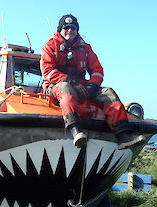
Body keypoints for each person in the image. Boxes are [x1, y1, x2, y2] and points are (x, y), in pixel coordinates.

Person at [40, 14, 145, 149]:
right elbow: (48, 71)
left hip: (83, 86)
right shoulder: (49, 47)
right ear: (59, 29)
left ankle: (123, 135)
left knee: (109, 93)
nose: (69, 31)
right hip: (56, 86)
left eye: (73, 28)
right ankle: (76, 130)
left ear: (77, 30)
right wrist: (70, 81)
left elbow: (97, 70)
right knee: (65, 88)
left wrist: (92, 85)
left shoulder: (86, 48)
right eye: (66, 28)